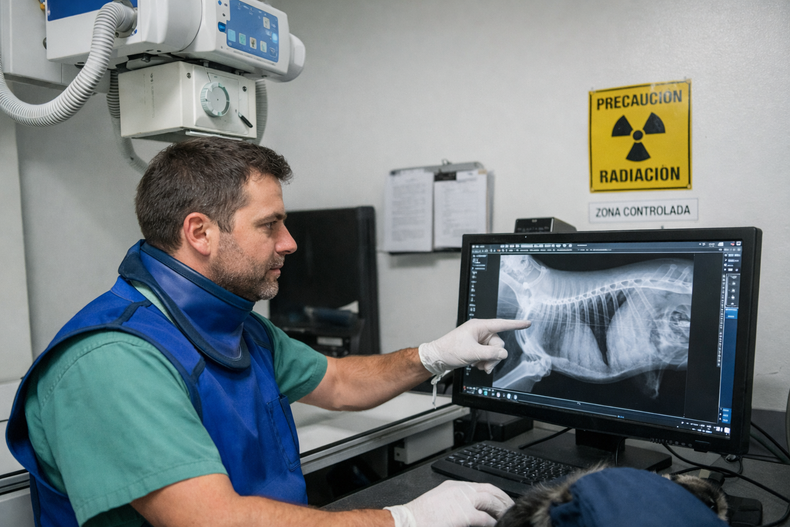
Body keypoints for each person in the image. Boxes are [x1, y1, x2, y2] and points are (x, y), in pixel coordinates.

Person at [7, 137, 529, 527]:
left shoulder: (236, 325)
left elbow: (341, 382)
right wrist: (405, 521)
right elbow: (215, 521)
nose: (290, 242)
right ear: (200, 232)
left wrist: (436, 355)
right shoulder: (112, 360)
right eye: (269, 225)